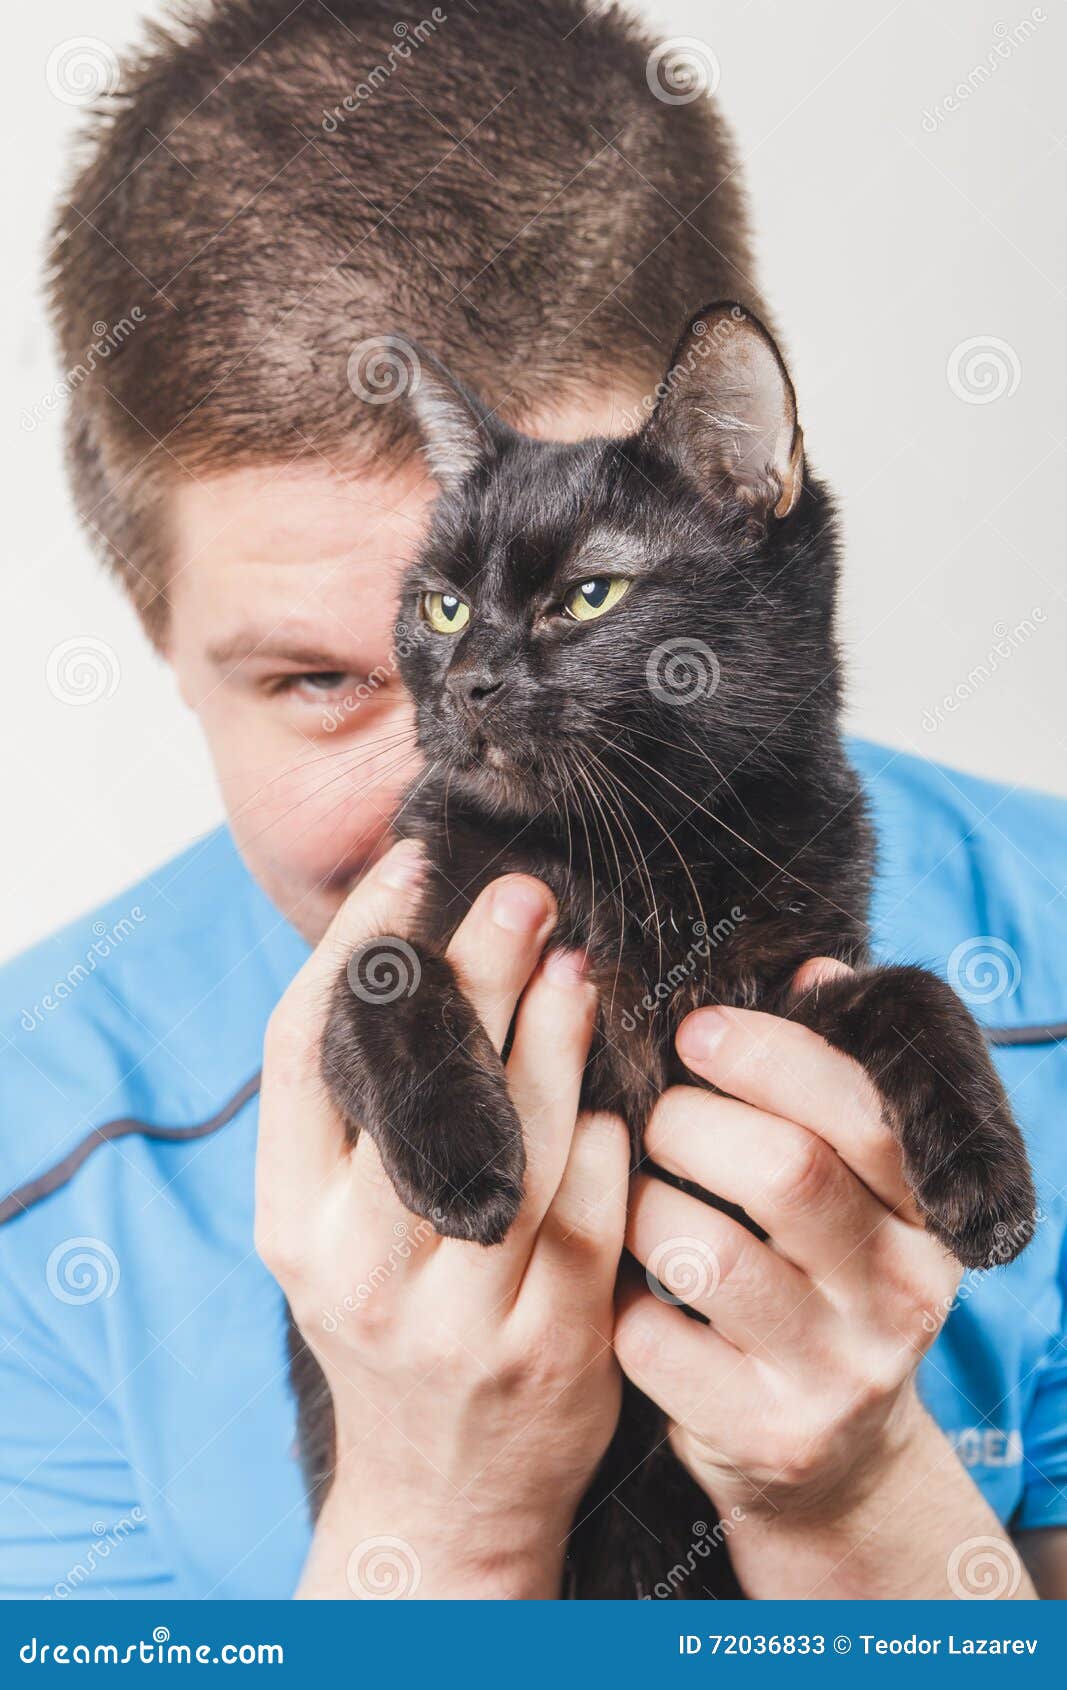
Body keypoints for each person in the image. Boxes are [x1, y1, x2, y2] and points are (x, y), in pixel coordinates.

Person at [2, 0, 1065, 1601]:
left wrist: (853, 1499)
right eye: (315, 679)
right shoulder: (33, 1168)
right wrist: (437, 1529)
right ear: (158, 638)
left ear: (734, 464)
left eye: (587, 607)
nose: (449, 759)